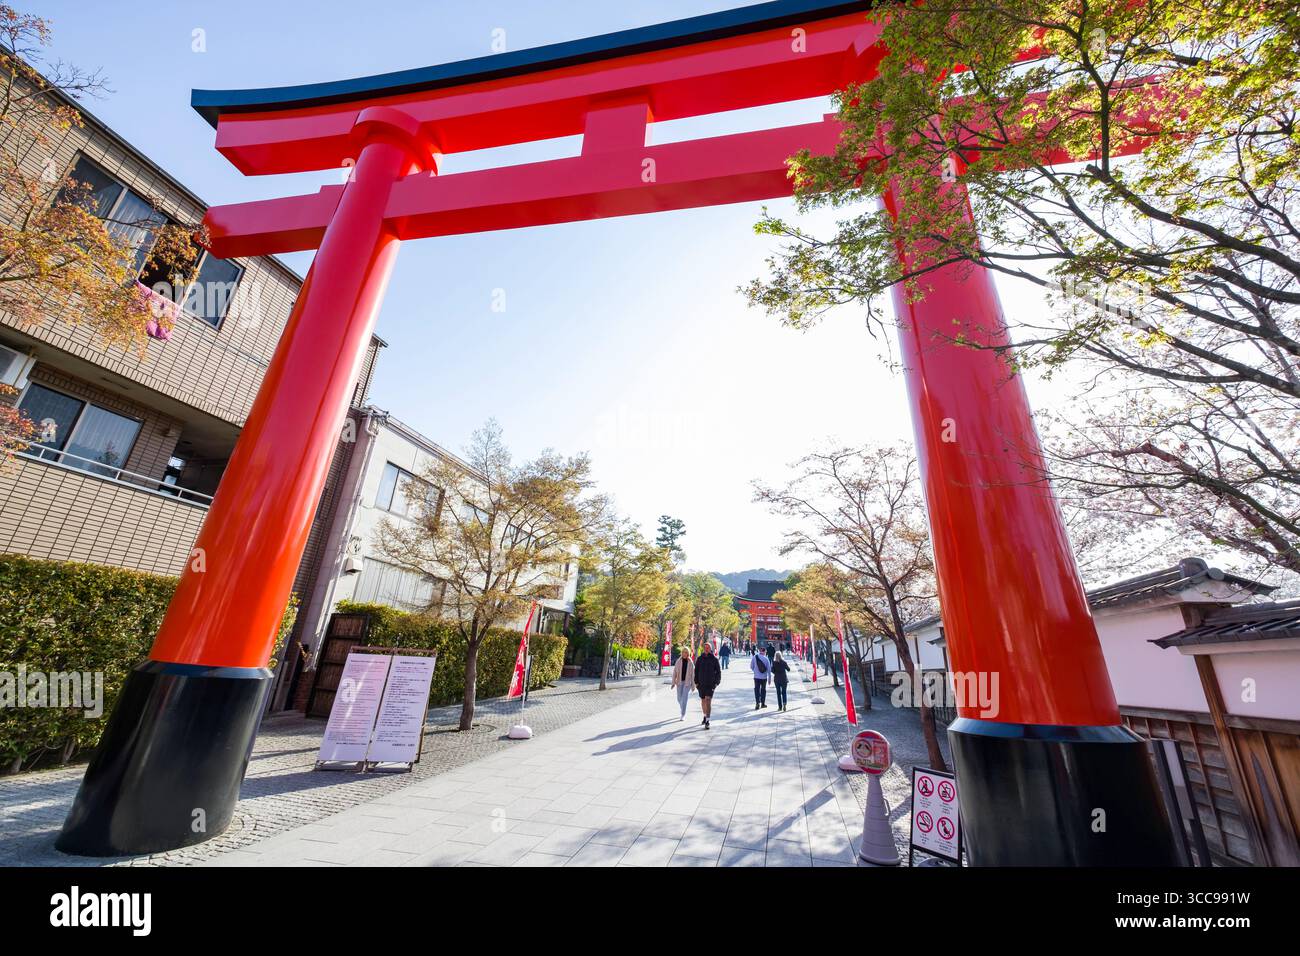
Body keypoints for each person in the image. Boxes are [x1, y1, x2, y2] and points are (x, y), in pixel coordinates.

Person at [694, 642, 722, 729]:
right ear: (703, 648)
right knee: (703, 701)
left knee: (708, 700)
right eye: (705, 647)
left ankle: (707, 721)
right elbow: (696, 671)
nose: (706, 649)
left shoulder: (714, 659)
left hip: (710, 684)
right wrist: (696, 682)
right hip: (701, 684)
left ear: (710, 649)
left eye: (708, 647)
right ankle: (705, 715)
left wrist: (717, 682)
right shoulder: (699, 659)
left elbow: (718, 672)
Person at [671, 647, 694, 721]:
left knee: (684, 699)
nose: (684, 654)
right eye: (683, 652)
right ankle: (682, 708)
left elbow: (693, 675)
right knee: (679, 698)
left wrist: (693, 685)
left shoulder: (690, 662)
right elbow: (674, 672)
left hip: (687, 683)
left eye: (686, 652)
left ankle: (683, 714)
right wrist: (673, 683)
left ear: (688, 653)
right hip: (679, 682)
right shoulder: (678, 661)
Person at [751, 643, 771, 709]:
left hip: (756, 677)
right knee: (763, 690)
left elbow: (751, 666)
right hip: (764, 677)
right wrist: (769, 679)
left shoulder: (754, 657)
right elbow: (769, 670)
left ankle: (757, 703)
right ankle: (763, 703)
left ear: (760, 651)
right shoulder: (766, 659)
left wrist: (755, 671)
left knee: (756, 689)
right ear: (764, 652)